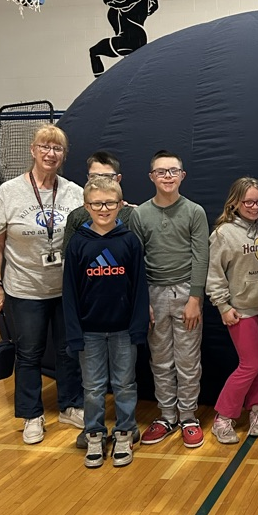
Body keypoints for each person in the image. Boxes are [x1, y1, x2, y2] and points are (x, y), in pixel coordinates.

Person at [0, 125, 85, 444]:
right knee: (28, 353)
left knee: (69, 350)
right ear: (32, 150)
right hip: (24, 289)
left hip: (65, 289)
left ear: (63, 156)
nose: (50, 153)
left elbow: (99, 217)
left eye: (57, 149)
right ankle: (31, 414)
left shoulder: (73, 191)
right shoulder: (9, 192)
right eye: (45, 146)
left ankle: (70, 405)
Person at [63, 176, 150, 469]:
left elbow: (140, 289)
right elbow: (70, 293)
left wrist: (138, 326)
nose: (104, 209)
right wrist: (74, 333)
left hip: (124, 330)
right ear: (87, 206)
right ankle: (95, 433)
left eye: (110, 203)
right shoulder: (78, 244)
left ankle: (125, 431)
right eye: (97, 203)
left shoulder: (129, 242)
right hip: (90, 332)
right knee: (93, 386)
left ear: (120, 205)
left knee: (125, 384)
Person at [130, 150, 209, 448]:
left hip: (186, 292)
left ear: (182, 176)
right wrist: (143, 301)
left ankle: (188, 416)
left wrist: (195, 298)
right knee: (161, 359)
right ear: (151, 176)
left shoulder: (194, 212)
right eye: (161, 172)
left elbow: (201, 256)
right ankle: (166, 415)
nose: (167, 176)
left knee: (188, 360)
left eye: (173, 171)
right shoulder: (140, 214)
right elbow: (136, 259)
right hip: (153, 294)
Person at [206, 177, 258, 444]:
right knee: (250, 364)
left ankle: (257, 411)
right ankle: (223, 417)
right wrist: (223, 306)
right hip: (240, 310)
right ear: (235, 203)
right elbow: (214, 274)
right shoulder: (223, 233)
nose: (254, 206)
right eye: (248, 201)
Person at [63, 150, 133, 253]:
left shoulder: (132, 216)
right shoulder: (76, 217)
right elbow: (68, 258)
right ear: (88, 178)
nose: (101, 182)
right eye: (94, 177)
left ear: (118, 179)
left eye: (107, 177)